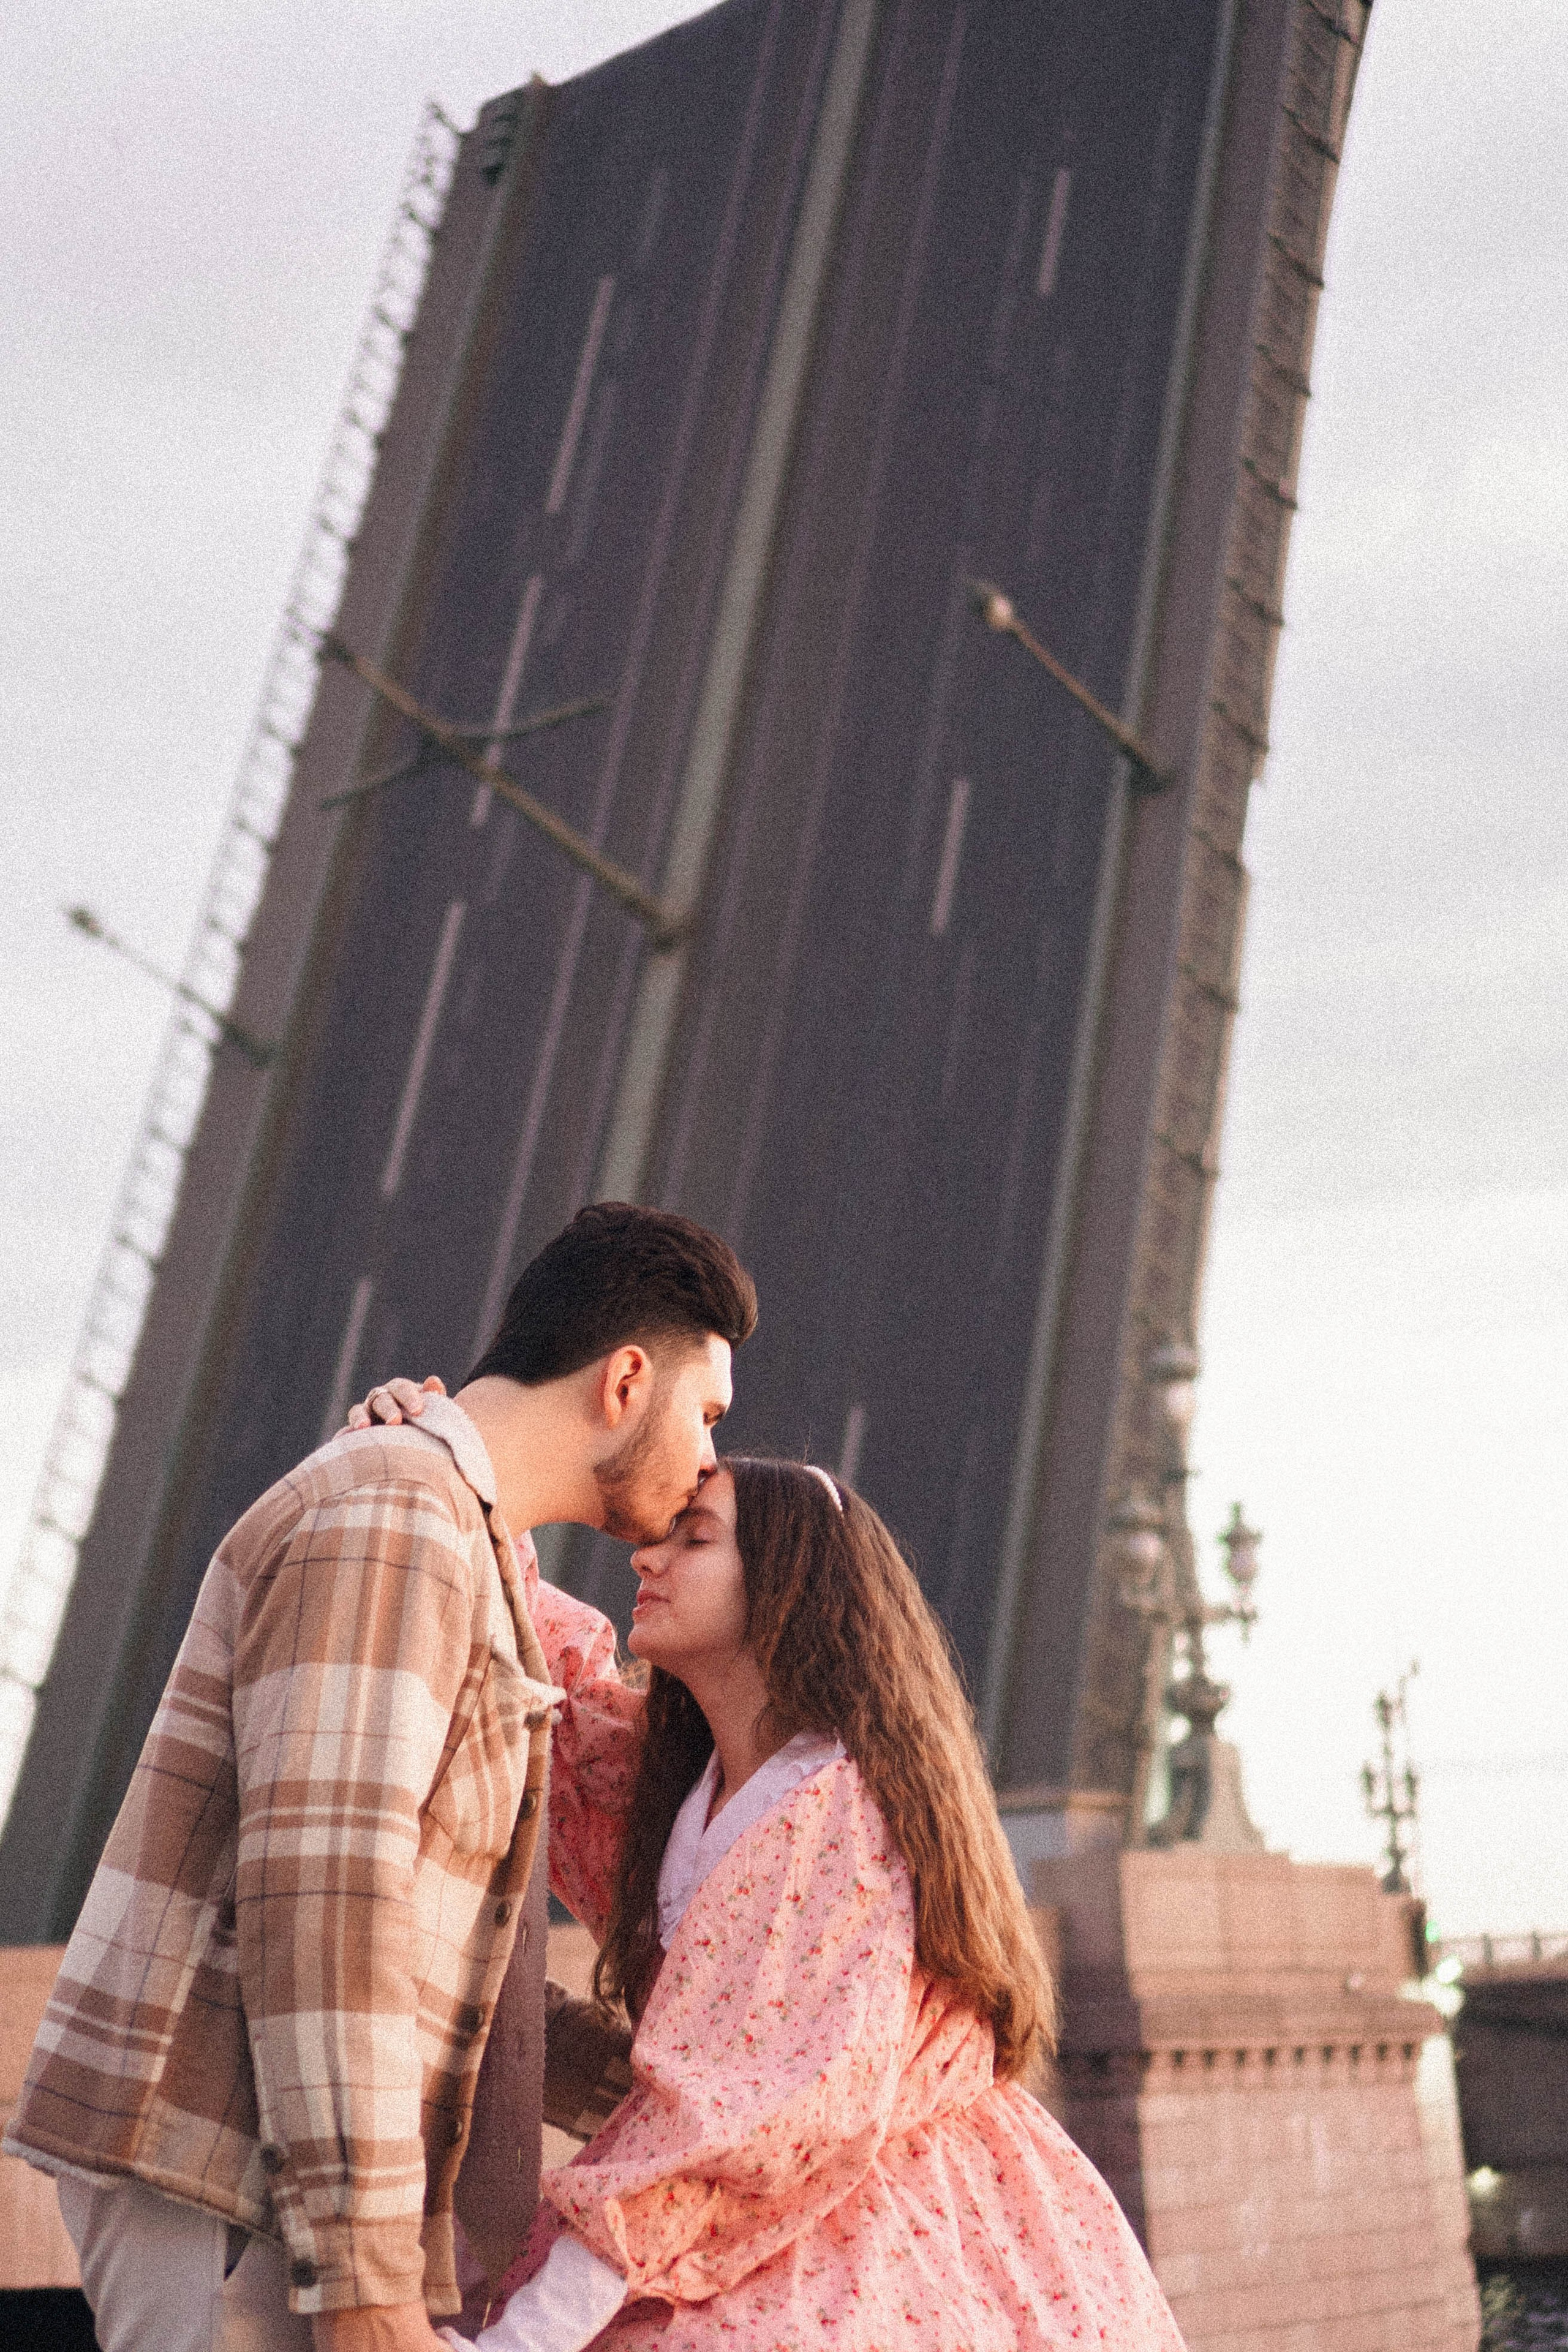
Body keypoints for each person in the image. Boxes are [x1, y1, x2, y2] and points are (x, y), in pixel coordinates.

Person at [4, 1203, 756, 2352]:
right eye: (705, 1414)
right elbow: (329, 1912)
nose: (708, 1460)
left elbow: (431, 1965)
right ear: (625, 1380)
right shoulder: (396, 1519)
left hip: (268, 2186)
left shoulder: (457, 1536)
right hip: (234, 2188)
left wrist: (692, 2098)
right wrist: (364, 2280)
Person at [435, 1455, 1189, 2351]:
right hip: (763, 2197)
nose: (644, 1559)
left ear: (786, 1586)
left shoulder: (837, 1810)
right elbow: (548, 1689)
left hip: (874, 2214)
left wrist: (530, 2340)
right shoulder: (686, 1790)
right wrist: (464, 1467)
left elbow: (746, 2123)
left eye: (695, 1538)